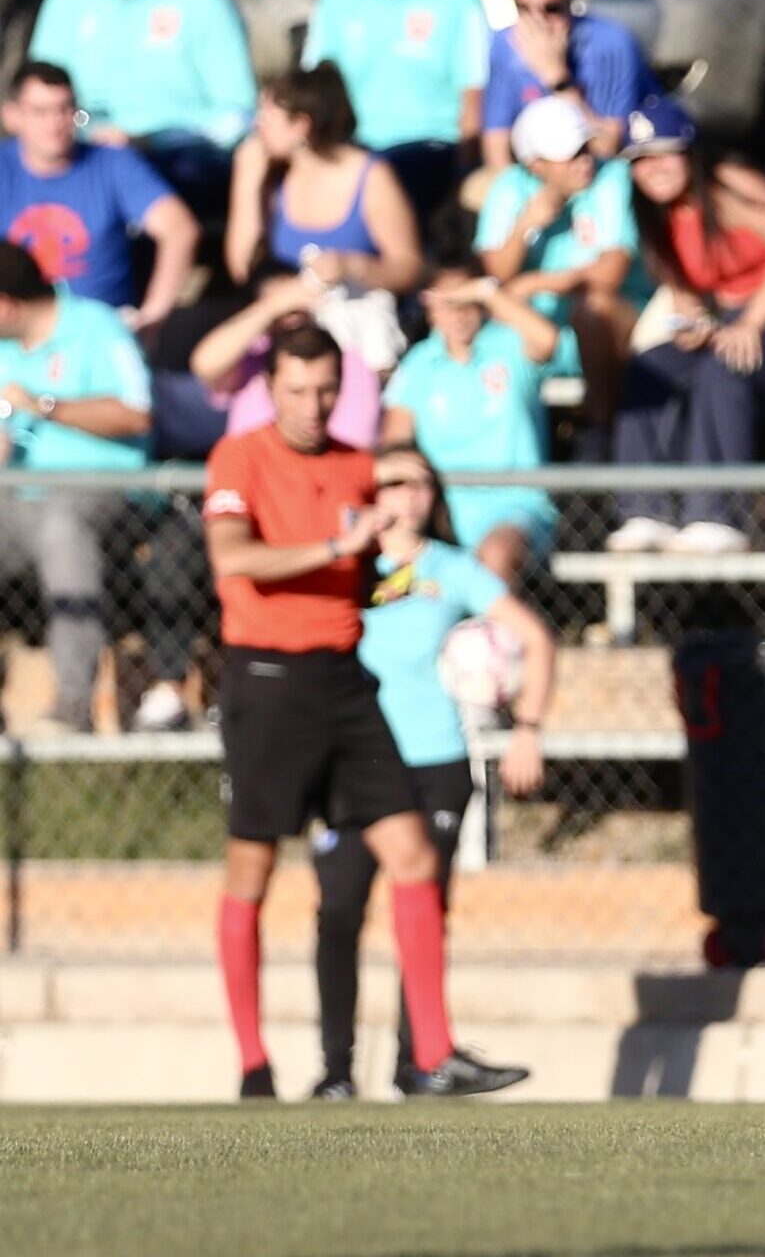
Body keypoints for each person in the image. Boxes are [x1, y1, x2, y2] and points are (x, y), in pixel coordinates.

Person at [203, 324, 520, 1100]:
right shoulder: (239, 457)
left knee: (412, 858)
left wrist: (401, 575)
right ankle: (253, 1062)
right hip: (269, 682)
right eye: (296, 391)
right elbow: (234, 557)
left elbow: (366, 569)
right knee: (255, 866)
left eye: (324, 391)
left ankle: (434, 1056)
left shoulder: (354, 466)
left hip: (346, 686)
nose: (312, 406)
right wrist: (335, 549)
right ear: (270, 388)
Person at [311, 444, 550, 1099]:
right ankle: (335, 1070)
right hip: (355, 767)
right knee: (339, 912)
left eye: (420, 484)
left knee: (422, 911)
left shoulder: (453, 569)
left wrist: (527, 730)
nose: (407, 495)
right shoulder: (344, 564)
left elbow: (534, 636)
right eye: (392, 482)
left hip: (434, 763)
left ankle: (420, 1061)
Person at [613, 99, 765, 554]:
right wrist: (695, 326)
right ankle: (644, 512)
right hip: (737, 323)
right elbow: (686, 293)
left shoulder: (727, 184)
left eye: (665, 153)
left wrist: (750, 324)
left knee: (723, 368)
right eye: (641, 160)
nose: (655, 169)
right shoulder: (654, 217)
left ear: (690, 152)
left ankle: (717, 517)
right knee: (651, 367)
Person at [29, 0, 255, 232]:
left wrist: (154, 138)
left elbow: (237, 112)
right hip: (87, 151)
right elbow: (39, 90)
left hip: (177, 158)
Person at [0, 240, 151, 734]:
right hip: (18, 498)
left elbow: (136, 413)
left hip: (104, 494)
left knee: (63, 529)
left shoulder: (97, 326)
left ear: (6, 304)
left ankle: (72, 711)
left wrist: (46, 406)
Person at [303, 0, 489, 221]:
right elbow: (316, 89)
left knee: (388, 183)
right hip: (356, 151)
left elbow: (473, 92)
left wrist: (465, 174)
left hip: (430, 149)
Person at [381, 247, 570, 587]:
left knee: (495, 557)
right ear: (429, 305)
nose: (457, 314)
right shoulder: (418, 365)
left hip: (516, 504)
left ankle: (494, 637)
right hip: (442, 509)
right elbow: (394, 445)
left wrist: (487, 291)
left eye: (466, 301)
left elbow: (549, 341)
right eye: (447, 303)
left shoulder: (508, 344)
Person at [225, 63, 425, 361]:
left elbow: (410, 268)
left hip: (356, 335)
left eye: (267, 116)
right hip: (289, 338)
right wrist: (246, 184)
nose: (258, 125)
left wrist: (352, 267)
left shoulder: (371, 177)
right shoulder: (271, 176)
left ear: (301, 125)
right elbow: (242, 268)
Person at [476, 96, 644, 434]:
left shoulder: (613, 177)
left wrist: (535, 283)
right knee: (494, 350)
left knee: (592, 310)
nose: (583, 160)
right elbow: (496, 272)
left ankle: (602, 435)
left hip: (619, 320)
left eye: (585, 147)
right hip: (537, 330)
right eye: (570, 154)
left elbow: (610, 274)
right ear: (536, 165)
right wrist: (526, 225)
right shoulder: (509, 188)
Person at [0, 62, 198, 331]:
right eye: (40, 111)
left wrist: (153, 317)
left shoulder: (111, 163)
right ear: (12, 116)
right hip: (15, 336)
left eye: (65, 109)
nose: (55, 122)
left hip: (101, 333)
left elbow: (179, 229)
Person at [477, 0, 659, 171]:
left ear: (571, 3)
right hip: (541, 169)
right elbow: (496, 142)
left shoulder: (609, 44)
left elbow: (607, 147)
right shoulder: (504, 44)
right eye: (523, 8)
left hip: (605, 168)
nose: (538, 20)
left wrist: (556, 77)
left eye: (551, 8)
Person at [191, 264, 386, 451]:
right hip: (254, 476)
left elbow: (356, 447)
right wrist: (270, 308)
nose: (289, 310)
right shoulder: (251, 357)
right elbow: (204, 364)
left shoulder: (347, 361)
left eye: (296, 299)